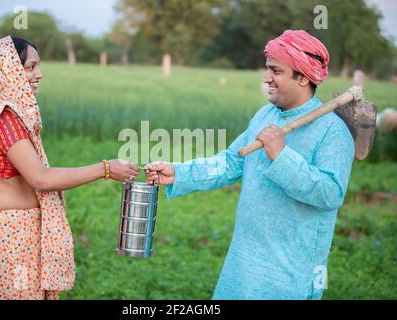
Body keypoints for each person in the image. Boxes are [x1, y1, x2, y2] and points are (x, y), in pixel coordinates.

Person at [146, 30, 355, 299]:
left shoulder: (332, 131)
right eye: (267, 69)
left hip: (290, 271)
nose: (267, 78)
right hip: (243, 264)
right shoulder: (264, 115)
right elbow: (232, 161)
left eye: (276, 71)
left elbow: (330, 194)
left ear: (303, 77)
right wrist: (179, 173)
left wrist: (282, 156)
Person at [0, 36, 139, 300]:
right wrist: (106, 168)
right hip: (9, 236)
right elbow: (40, 179)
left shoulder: (2, 113)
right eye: (30, 67)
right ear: (9, 70)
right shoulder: (5, 118)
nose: (39, 74)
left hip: (13, 232)